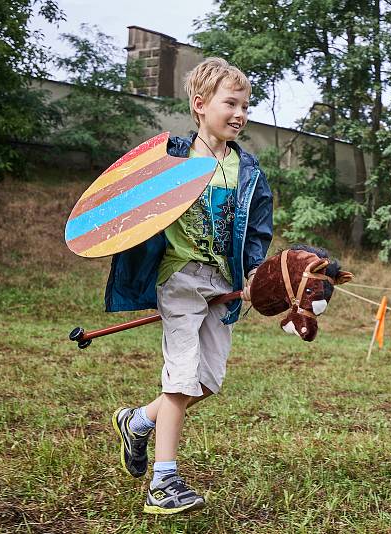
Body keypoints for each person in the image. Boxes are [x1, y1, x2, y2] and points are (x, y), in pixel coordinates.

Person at [105, 57, 273, 515]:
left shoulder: (248, 169)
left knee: (206, 381)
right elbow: (129, 206)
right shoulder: (172, 159)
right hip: (178, 277)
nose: (240, 113)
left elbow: (256, 230)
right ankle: (164, 482)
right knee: (180, 376)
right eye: (230, 103)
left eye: (246, 105)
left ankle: (138, 421)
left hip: (223, 283)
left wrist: (255, 272)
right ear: (200, 105)